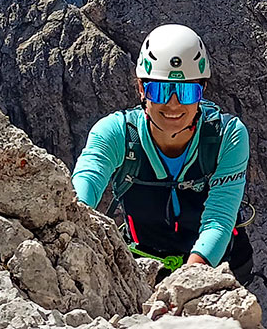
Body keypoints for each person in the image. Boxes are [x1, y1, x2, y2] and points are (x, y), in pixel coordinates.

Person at [71, 24, 253, 282]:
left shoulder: (227, 136)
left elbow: (219, 220)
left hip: (219, 270)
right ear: (141, 89)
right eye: (160, 90)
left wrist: (186, 284)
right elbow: (85, 185)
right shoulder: (116, 133)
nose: (173, 104)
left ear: (202, 92)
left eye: (187, 92)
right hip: (145, 272)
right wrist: (71, 217)